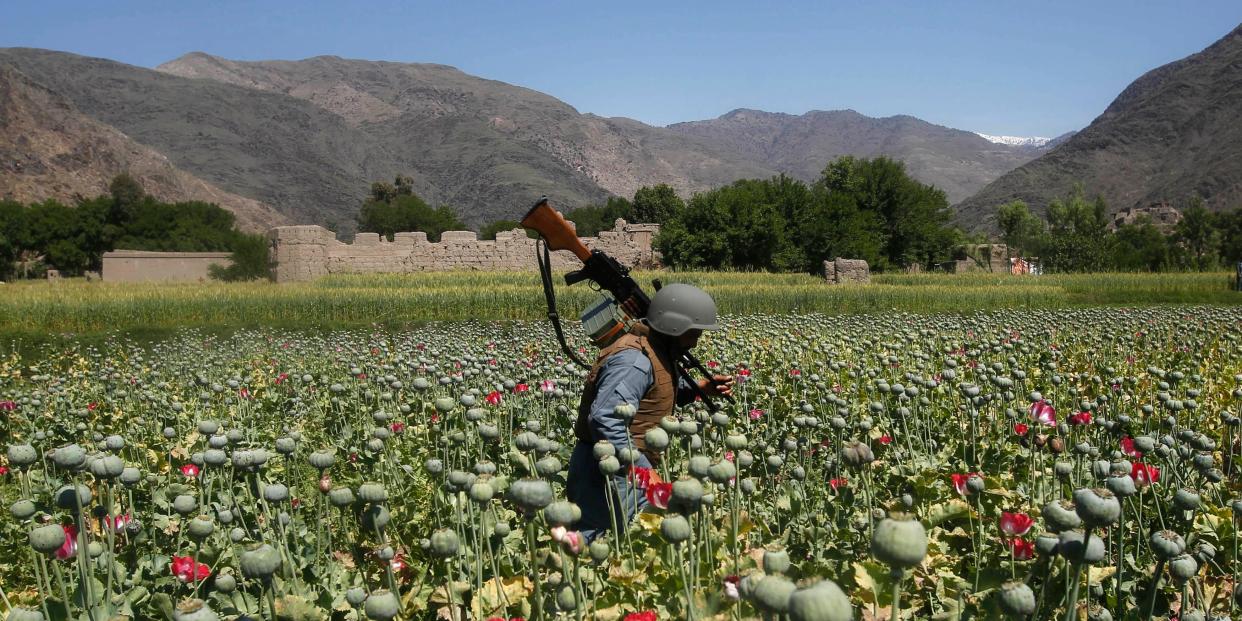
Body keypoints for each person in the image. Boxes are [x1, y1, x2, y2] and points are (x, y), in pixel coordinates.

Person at [565, 283, 734, 541]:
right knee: (601, 545)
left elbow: (651, 392)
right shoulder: (634, 361)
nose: (697, 341)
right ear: (675, 328)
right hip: (609, 470)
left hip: (625, 463)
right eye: (694, 332)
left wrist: (700, 389)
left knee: (629, 543)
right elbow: (606, 418)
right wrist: (641, 470)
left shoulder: (653, 349)